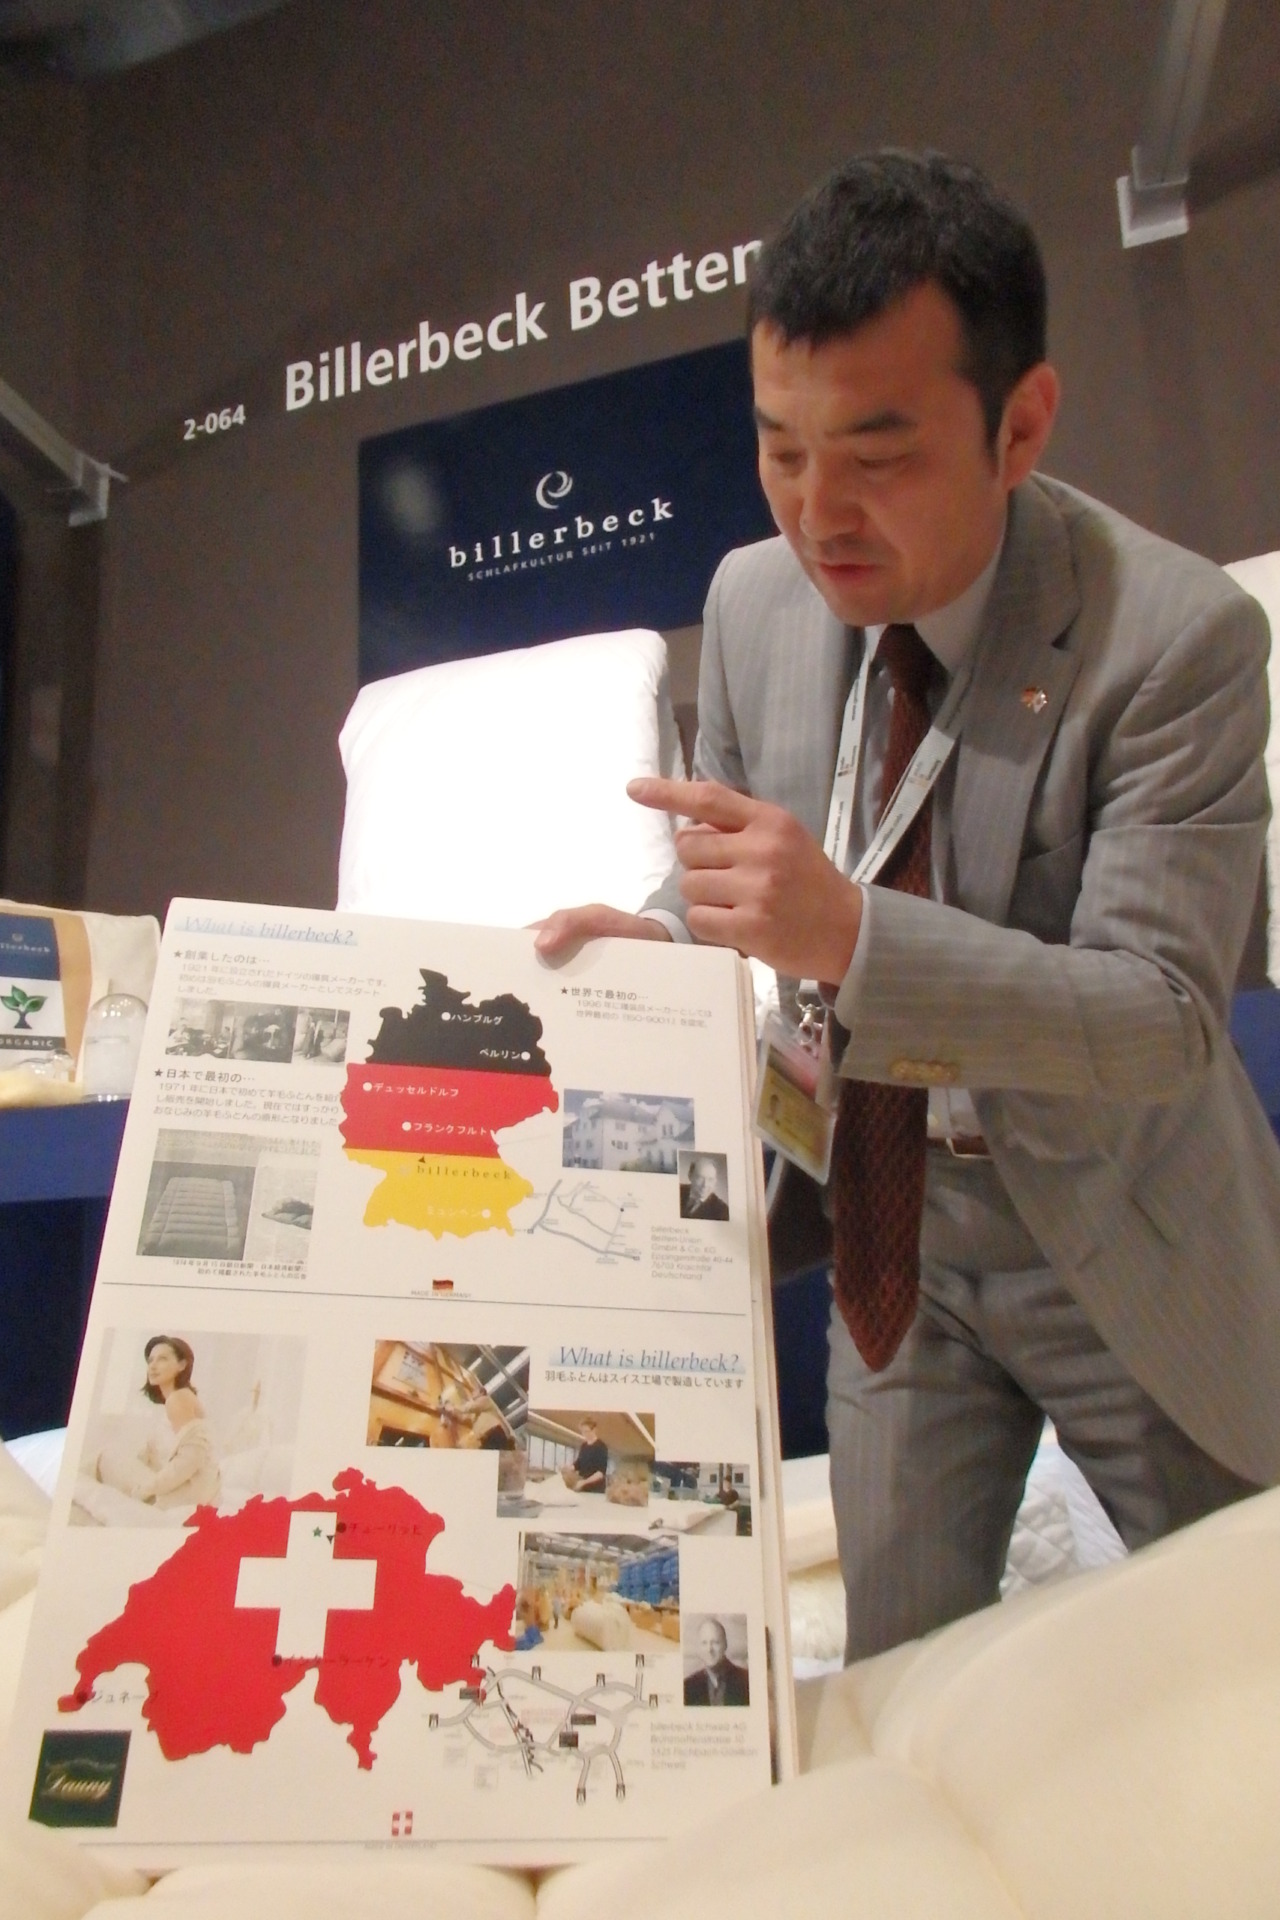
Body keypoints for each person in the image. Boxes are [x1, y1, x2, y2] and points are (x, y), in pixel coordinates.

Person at [536, 149, 1280, 1661]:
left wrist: (851, 938)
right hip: (890, 1230)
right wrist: (664, 935)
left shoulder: (1175, 640)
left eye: (877, 456)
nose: (819, 514)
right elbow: (741, 863)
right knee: (896, 1679)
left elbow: (1162, 1018)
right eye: (781, 450)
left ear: (1020, 426)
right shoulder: (752, 602)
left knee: (1241, 1657)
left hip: (1119, 1230)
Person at [94, 1334, 221, 1511]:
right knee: (112, 1457)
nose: (153, 1366)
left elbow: (190, 1460)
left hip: (184, 1497)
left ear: (182, 1365)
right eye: (150, 1360)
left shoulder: (178, 1399)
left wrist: (145, 1490)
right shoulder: (179, 1398)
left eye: (162, 1359)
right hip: (191, 1492)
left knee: (107, 1457)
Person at [683, 1616, 750, 1707]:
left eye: (715, 1642)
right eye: (704, 1643)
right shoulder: (688, 1686)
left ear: (725, 1645)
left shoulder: (746, 1681)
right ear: (698, 1648)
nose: (709, 1649)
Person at [562, 1417, 609, 1491]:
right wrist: (570, 1468)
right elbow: (579, 1463)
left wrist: (584, 1482)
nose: (585, 1434)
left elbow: (600, 1473)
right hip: (583, 1486)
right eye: (583, 1432)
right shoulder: (584, 1446)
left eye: (587, 1431)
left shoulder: (601, 1447)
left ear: (594, 1430)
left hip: (596, 1488)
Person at [680, 1153, 730, 1220]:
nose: (705, 1185)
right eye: (700, 1178)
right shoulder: (677, 1190)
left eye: (710, 1179)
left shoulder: (722, 1210)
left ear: (715, 1181)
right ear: (690, 1176)